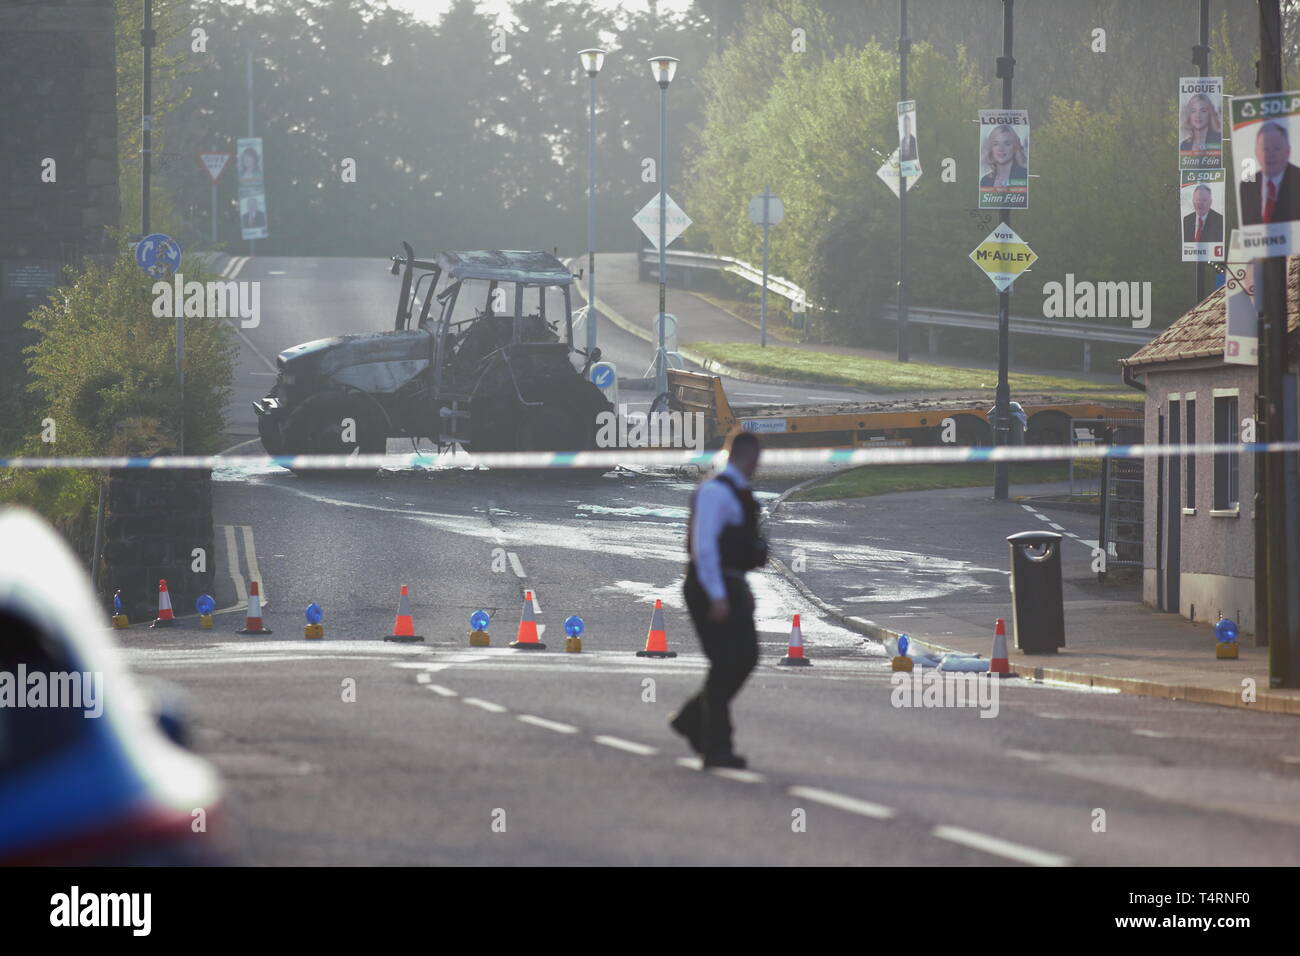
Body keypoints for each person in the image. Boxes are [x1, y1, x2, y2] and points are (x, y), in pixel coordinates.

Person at [669, 432, 768, 769]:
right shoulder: (716, 492)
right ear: (749, 457)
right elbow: (705, 547)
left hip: (730, 583)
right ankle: (716, 745)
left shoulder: (737, 492)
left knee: (744, 658)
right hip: (711, 585)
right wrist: (717, 595)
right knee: (728, 661)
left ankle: (690, 719)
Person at [1239, 121, 1300, 225]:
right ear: (1256, 152)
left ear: (1288, 151)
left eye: (1276, 148)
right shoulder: (1246, 186)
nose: (1270, 154)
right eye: (1265, 149)